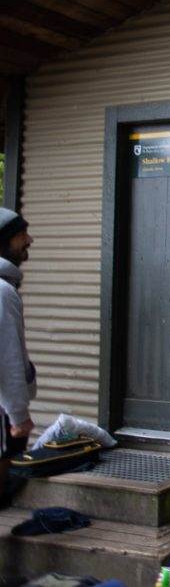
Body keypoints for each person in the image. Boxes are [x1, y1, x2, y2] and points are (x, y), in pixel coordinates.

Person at [0, 207, 35, 498]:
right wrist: (18, 416)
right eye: (21, 234)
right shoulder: (2, 292)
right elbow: (7, 358)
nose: (29, 240)